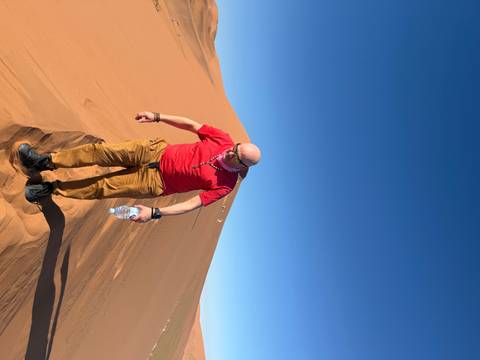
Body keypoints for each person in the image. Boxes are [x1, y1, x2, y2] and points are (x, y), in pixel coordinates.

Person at [18, 111, 261, 223]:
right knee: (100, 152)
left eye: (235, 155)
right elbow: (193, 126)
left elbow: (193, 204)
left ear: (240, 165)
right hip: (155, 150)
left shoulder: (225, 185)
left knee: (102, 187)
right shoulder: (223, 140)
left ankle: (51, 190)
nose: (230, 151)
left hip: (156, 182)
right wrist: (158, 116)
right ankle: (44, 161)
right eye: (235, 147)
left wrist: (156, 213)